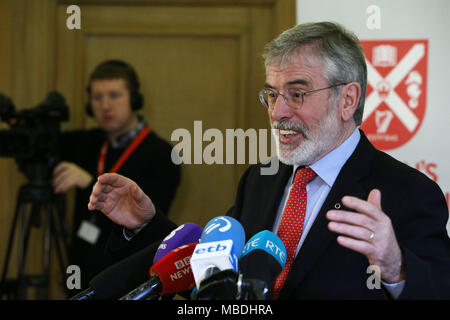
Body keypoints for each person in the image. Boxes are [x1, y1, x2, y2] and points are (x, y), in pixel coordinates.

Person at [87, 23, 450, 299]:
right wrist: (148, 226)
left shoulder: (409, 192)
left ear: (347, 99)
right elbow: (215, 279)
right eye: (272, 94)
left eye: (296, 94)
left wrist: (395, 267)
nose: (277, 112)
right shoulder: (260, 179)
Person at [53, 60, 181, 290]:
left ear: (134, 100)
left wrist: (88, 183)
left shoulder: (162, 155)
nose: (105, 106)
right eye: (98, 97)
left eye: (114, 95)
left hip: (131, 281)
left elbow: (151, 221)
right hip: (80, 279)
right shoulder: (85, 143)